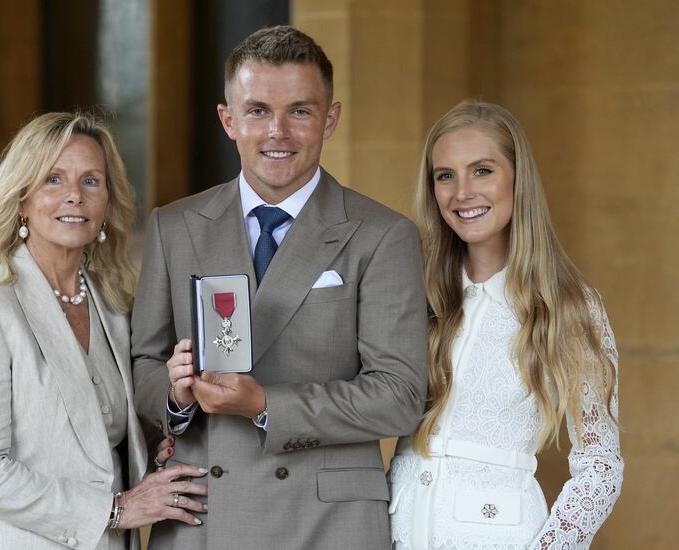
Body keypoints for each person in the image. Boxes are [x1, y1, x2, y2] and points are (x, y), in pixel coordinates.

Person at [131, 25, 428, 550]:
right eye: (258, 111)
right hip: (203, 517)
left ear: (330, 118)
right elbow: (143, 366)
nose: (278, 133)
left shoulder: (384, 235)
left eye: (300, 110)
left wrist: (267, 404)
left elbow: (399, 397)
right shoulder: (172, 227)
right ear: (228, 120)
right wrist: (175, 396)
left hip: (326, 524)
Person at [0, 112, 208, 550]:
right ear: (22, 199)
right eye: (53, 180)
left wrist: (157, 435)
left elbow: (103, 438)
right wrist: (116, 510)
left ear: (107, 200)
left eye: (90, 182)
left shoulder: (115, 307)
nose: (74, 197)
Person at [388, 100, 623, 549]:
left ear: (518, 180)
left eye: (482, 170)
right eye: (445, 175)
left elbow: (601, 466)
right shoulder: (413, 292)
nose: (462, 192)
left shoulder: (570, 307)